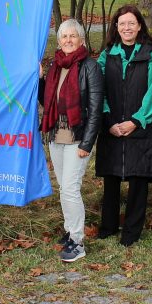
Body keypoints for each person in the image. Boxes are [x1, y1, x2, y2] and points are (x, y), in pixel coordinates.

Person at [95, 5, 152, 247]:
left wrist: (136, 120)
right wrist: (109, 120)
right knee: (111, 179)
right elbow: (97, 89)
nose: (127, 28)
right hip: (111, 125)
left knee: (138, 179)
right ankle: (109, 226)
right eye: (122, 24)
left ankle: (132, 231)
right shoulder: (106, 55)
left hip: (140, 127)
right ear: (116, 27)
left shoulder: (150, 55)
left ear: (140, 26)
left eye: (131, 23)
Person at [39, 19, 104, 262]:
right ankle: (69, 231)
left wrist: (87, 144)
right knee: (64, 189)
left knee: (70, 189)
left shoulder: (90, 67)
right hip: (57, 136)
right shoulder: (56, 65)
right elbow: (48, 103)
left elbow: (95, 110)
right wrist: (39, 80)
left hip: (78, 138)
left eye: (72, 36)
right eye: (64, 36)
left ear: (81, 40)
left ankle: (78, 241)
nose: (68, 40)